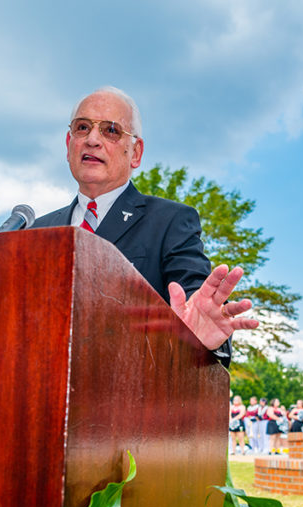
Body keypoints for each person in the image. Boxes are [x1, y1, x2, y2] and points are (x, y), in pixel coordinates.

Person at [33, 86, 257, 364]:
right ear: (69, 143)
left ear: (136, 152)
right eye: (82, 127)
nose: (92, 139)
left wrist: (201, 338)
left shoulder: (170, 222)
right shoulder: (35, 232)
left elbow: (194, 307)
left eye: (110, 130)